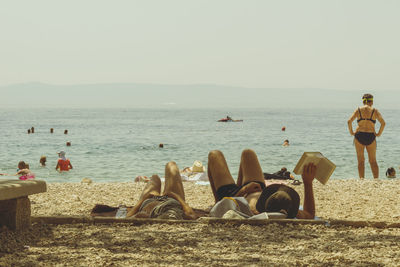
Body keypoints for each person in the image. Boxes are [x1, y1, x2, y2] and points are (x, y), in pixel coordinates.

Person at [207, 149, 317, 219]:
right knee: (248, 153)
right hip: (258, 189)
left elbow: (228, 204)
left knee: (214, 154)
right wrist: (308, 183)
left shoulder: (254, 210)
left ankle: (217, 199)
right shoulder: (287, 208)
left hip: (235, 197)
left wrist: (243, 190)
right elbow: (309, 214)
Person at [126, 161, 198, 220]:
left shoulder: (144, 216)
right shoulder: (174, 214)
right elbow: (192, 215)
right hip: (172, 200)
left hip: (150, 200)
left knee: (155, 177)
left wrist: (143, 199)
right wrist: (175, 196)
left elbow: (128, 216)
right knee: (171, 165)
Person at [347, 93, 385, 179]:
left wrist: (352, 132)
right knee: (373, 161)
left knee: (360, 161)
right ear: (371, 101)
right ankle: (376, 179)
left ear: (363, 101)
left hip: (359, 135)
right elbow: (383, 123)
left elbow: (349, 121)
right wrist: (378, 134)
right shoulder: (374, 110)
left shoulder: (358, 110)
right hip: (371, 136)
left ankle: (361, 179)